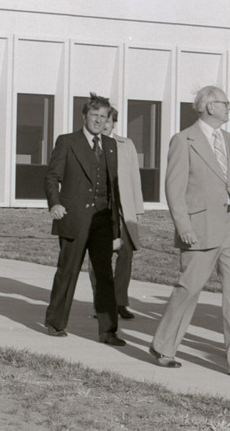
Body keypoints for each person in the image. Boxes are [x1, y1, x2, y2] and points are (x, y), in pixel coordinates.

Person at [149, 86, 230, 379]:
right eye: (226, 103)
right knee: (189, 289)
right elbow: (174, 189)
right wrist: (183, 226)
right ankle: (163, 347)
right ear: (209, 106)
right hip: (199, 228)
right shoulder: (183, 140)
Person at [43, 93, 125, 346]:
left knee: (104, 275)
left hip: (102, 220)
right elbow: (52, 177)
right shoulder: (67, 142)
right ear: (84, 116)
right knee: (67, 271)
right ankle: (55, 323)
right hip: (74, 217)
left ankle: (108, 331)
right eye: (95, 115)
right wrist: (55, 203)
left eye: (104, 116)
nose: (99, 121)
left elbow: (113, 189)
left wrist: (116, 226)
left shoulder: (110, 146)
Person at [88, 106, 144, 320]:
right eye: (101, 120)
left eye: (108, 121)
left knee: (125, 256)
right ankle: (101, 304)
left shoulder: (126, 144)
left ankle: (120, 302)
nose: (104, 125)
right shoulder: (91, 144)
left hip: (123, 211)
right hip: (100, 211)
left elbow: (134, 179)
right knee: (98, 260)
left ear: (114, 123)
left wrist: (137, 210)